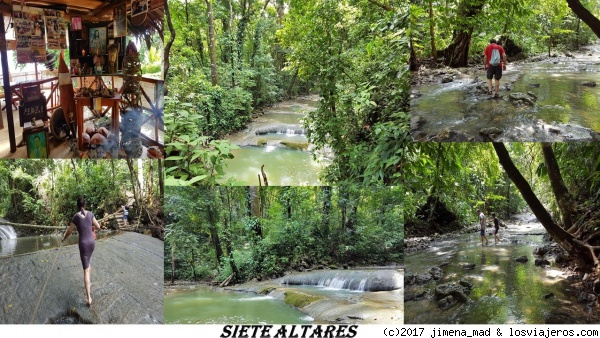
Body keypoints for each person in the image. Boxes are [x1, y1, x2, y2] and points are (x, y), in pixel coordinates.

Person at [62, 196, 102, 306]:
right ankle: (89, 283)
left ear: (77, 206)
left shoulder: (75, 217)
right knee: (88, 263)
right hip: (92, 243)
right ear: (85, 205)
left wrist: (63, 239)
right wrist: (91, 228)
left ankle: (89, 298)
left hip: (83, 244)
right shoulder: (90, 214)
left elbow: (69, 231)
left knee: (85, 270)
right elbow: (98, 226)